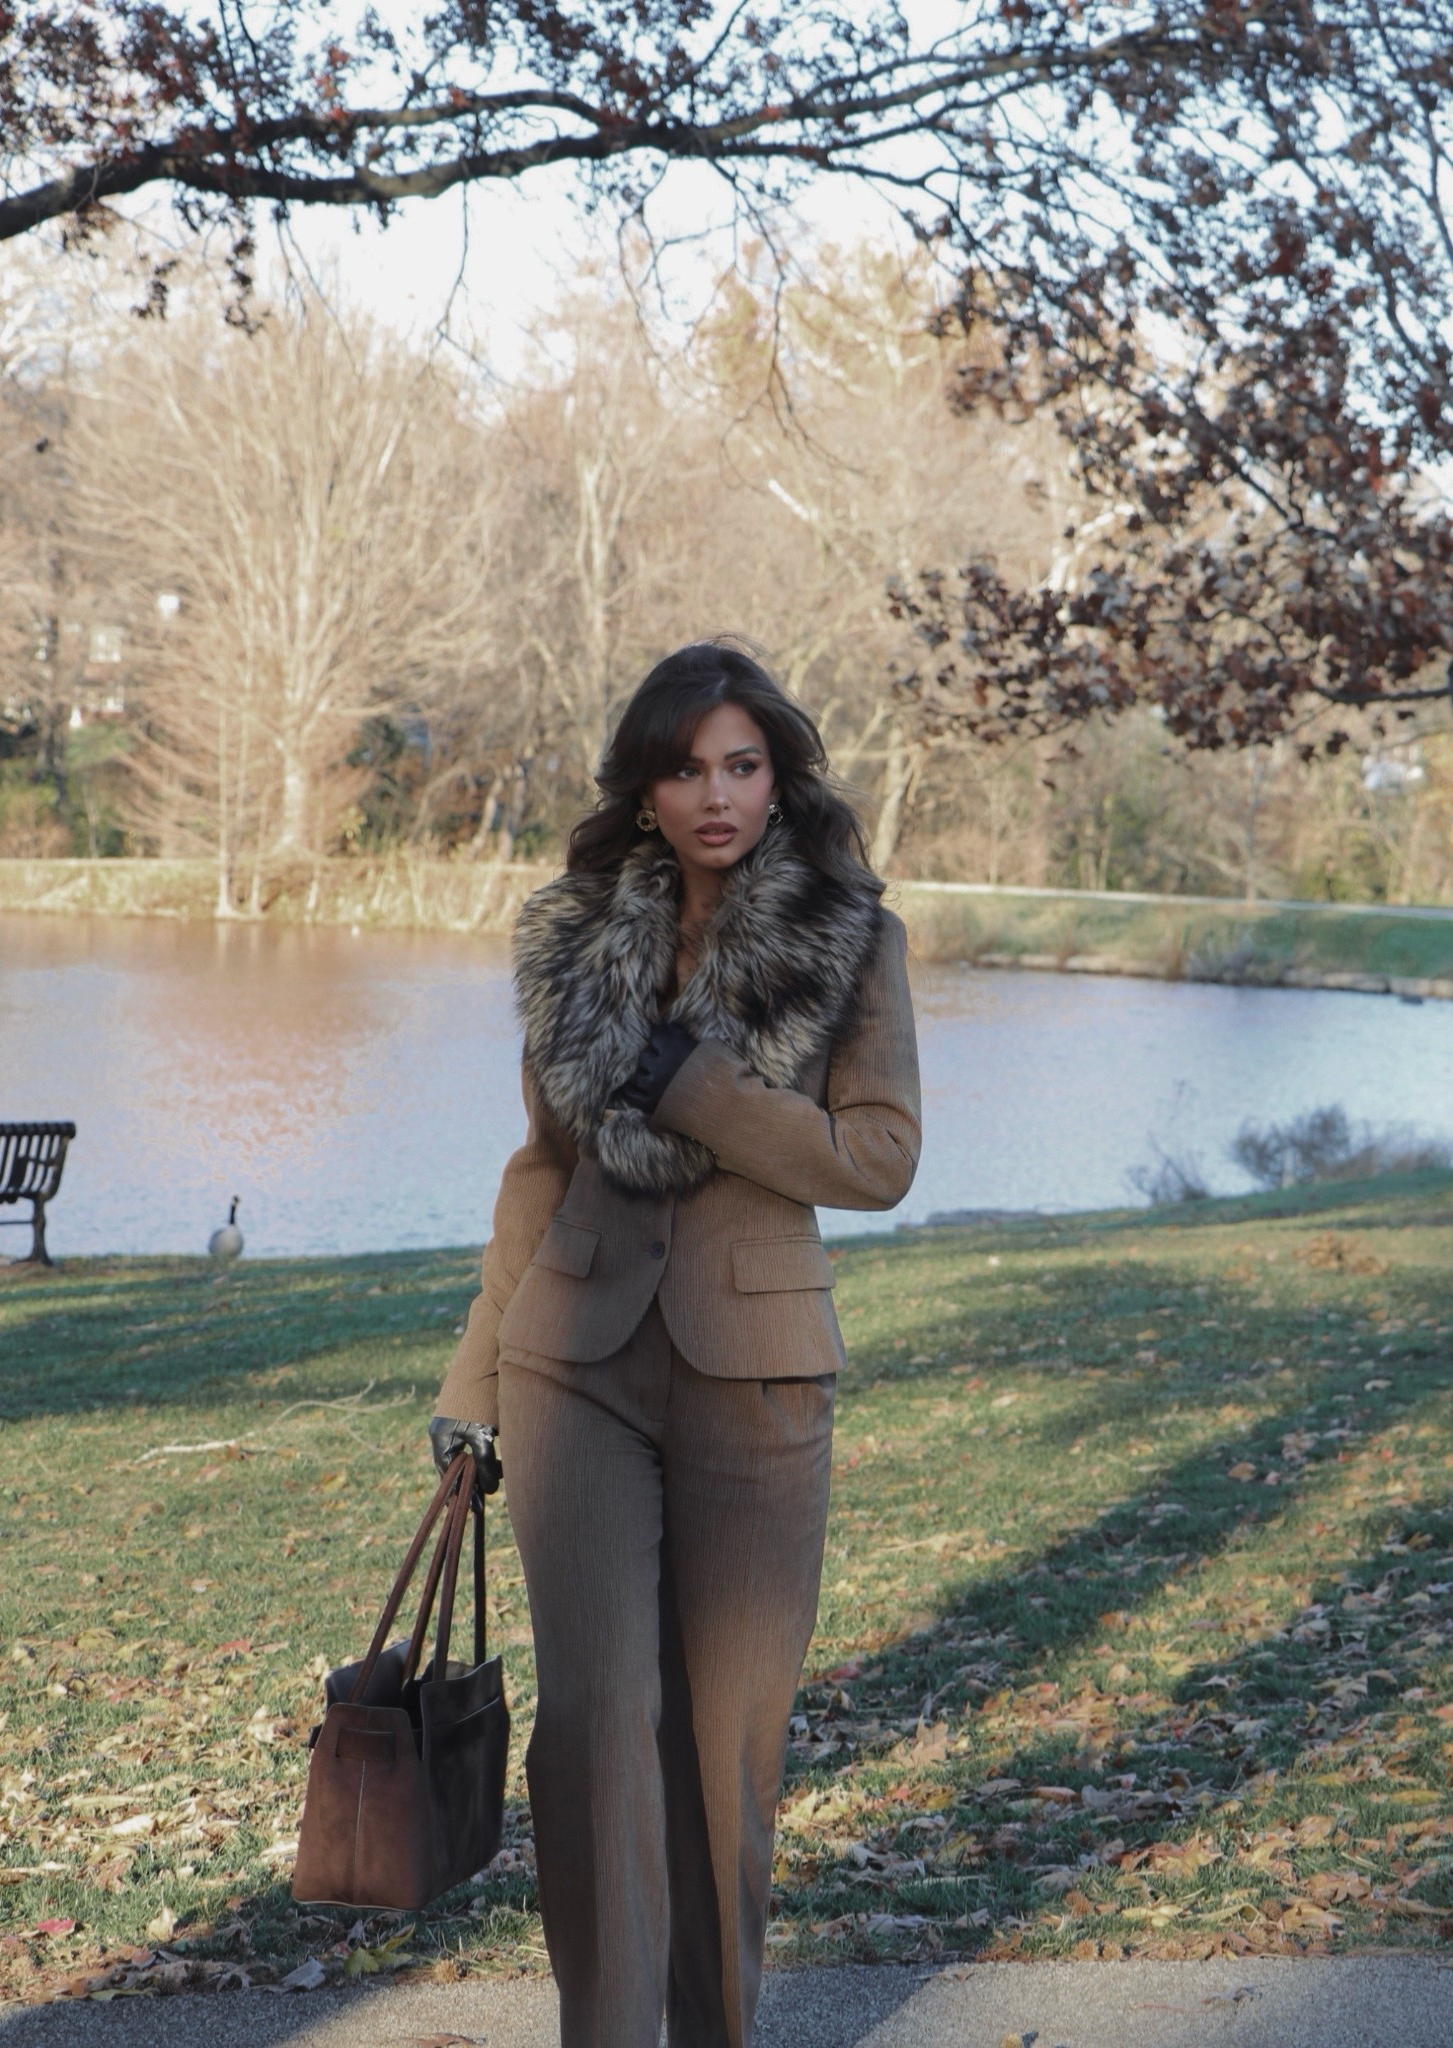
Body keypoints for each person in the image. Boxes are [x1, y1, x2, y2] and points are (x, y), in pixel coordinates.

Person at [430, 639, 922, 2048]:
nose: (716, 793)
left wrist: (700, 1089)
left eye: (742, 765)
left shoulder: (852, 932)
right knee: (592, 1734)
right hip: (572, 1357)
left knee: (728, 1751)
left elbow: (878, 1160)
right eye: (686, 766)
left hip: (756, 1370)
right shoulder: (576, 936)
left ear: (779, 776)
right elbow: (537, 1169)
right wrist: (473, 1387)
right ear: (645, 788)